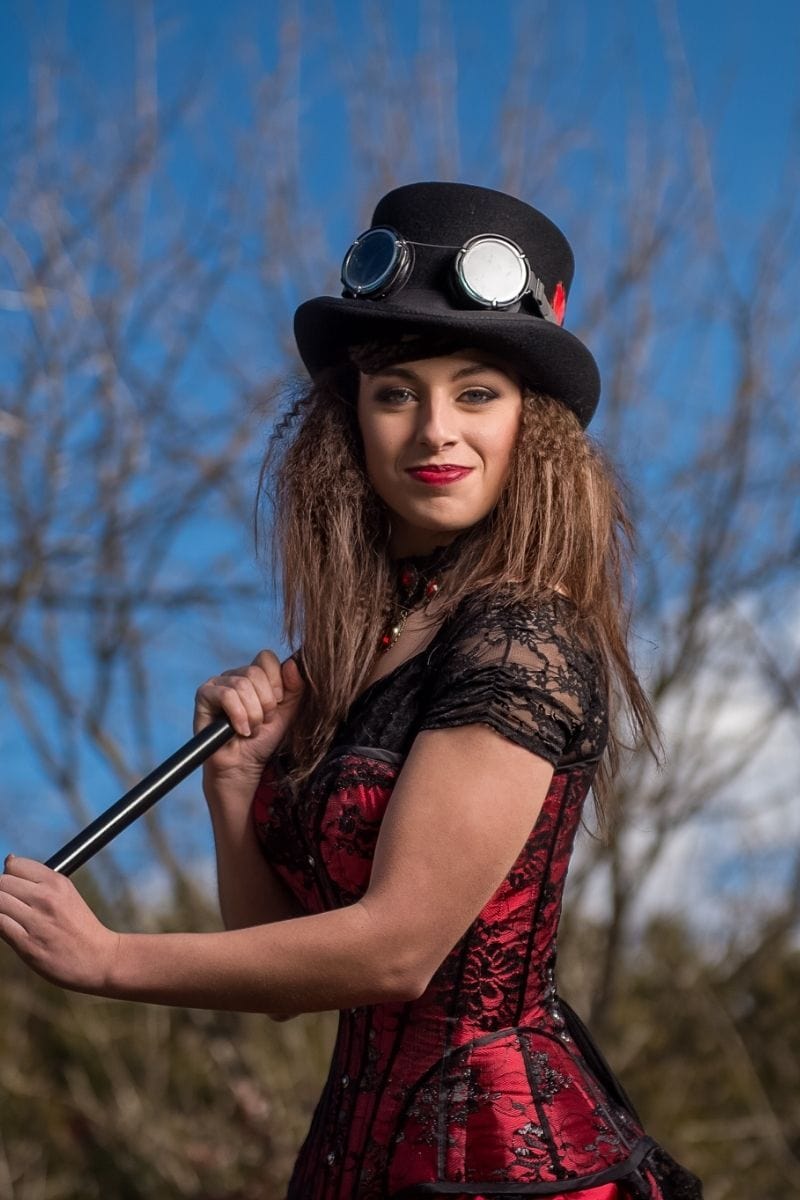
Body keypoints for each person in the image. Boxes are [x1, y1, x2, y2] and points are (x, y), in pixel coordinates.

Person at [0, 182, 703, 1199]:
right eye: (393, 392)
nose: (432, 431)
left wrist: (108, 958)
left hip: (504, 1168)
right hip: (347, 1165)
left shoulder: (520, 638)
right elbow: (276, 968)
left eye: (475, 392)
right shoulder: (358, 648)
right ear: (351, 423)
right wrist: (235, 785)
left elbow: (394, 954)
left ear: (529, 429)